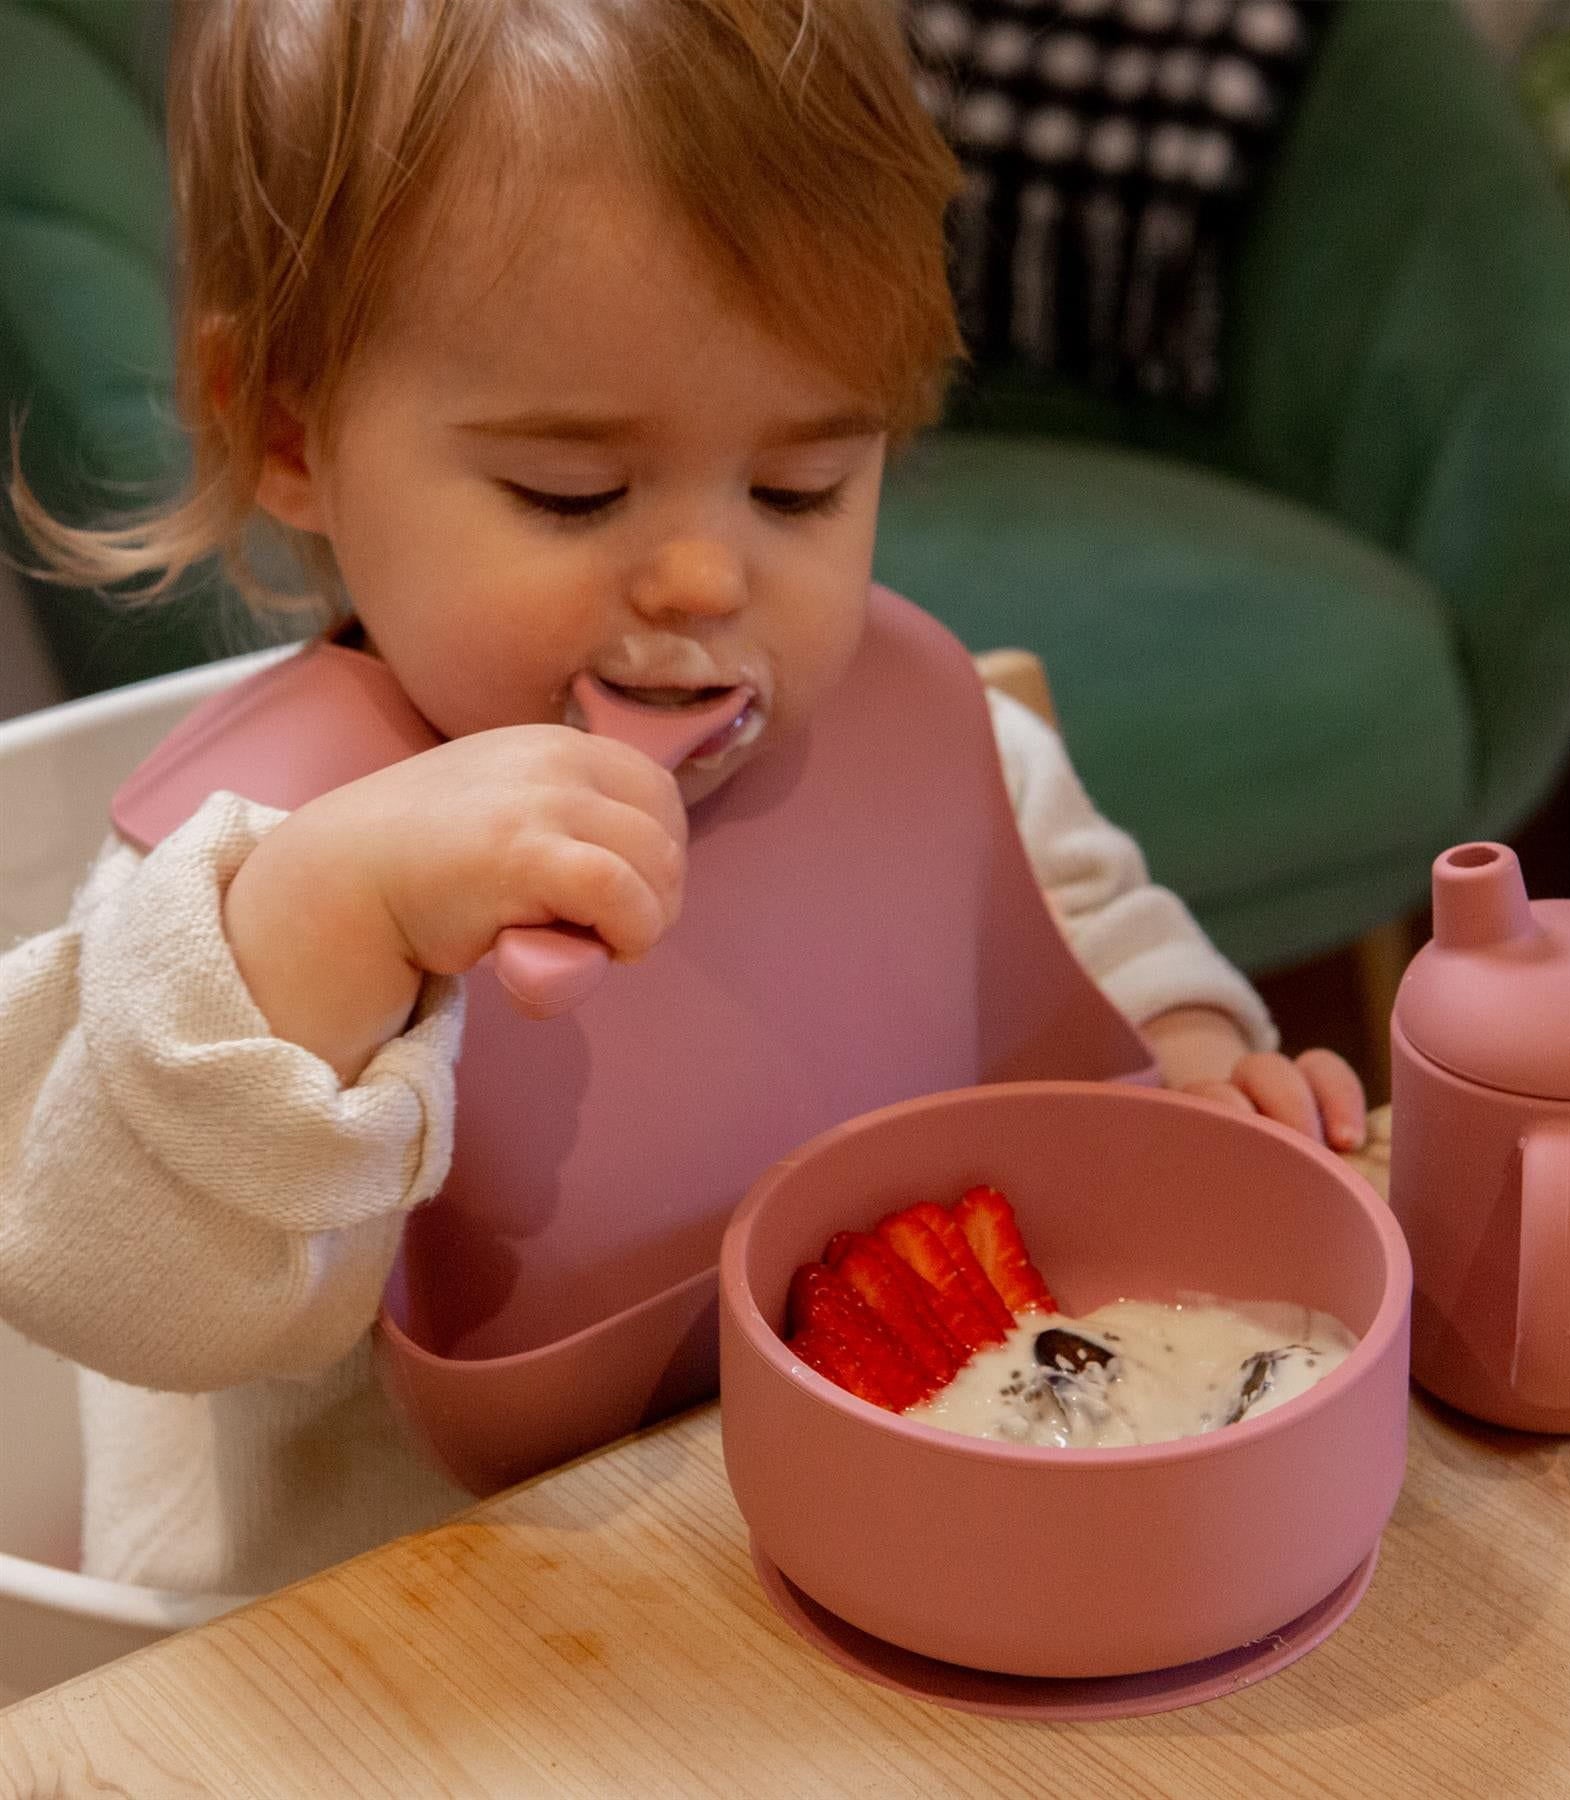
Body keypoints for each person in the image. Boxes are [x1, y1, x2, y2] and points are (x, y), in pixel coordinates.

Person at [0, 0, 1364, 1599]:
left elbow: (1089, 944)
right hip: (407, 1652)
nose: (708, 576)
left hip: (883, 1555)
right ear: (287, 429)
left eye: (801, 487)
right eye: (573, 492)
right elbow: (108, 1283)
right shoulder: (249, 878)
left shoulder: (932, 734)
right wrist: (328, 930)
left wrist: (1195, 1068)